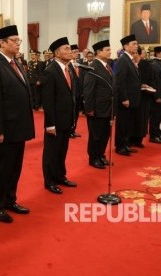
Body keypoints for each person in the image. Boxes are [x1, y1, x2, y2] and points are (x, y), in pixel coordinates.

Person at [0, 25, 35, 223]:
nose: (18, 44)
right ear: (1, 43)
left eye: (19, 41)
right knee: (1, 170)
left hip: (17, 128)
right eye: (14, 41)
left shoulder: (15, 63)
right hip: (3, 130)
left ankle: (10, 200)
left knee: (14, 168)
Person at [41, 37, 77, 195]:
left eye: (70, 49)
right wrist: (50, 124)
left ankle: (60, 176)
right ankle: (49, 181)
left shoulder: (68, 69)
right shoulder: (50, 71)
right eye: (66, 49)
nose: (70, 52)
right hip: (55, 120)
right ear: (57, 53)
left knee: (62, 150)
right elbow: (47, 100)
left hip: (67, 118)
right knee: (51, 152)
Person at [83, 40, 113, 169]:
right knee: (96, 135)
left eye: (110, 50)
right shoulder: (93, 66)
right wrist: (89, 109)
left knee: (105, 134)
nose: (110, 52)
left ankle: (101, 155)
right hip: (96, 108)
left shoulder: (108, 66)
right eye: (107, 50)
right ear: (98, 52)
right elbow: (89, 90)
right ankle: (93, 158)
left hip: (108, 107)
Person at [114, 34, 141, 156]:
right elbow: (120, 81)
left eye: (136, 44)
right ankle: (120, 146)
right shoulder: (123, 60)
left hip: (132, 98)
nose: (136, 46)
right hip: (126, 99)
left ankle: (126, 144)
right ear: (125, 46)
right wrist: (124, 98)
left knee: (128, 123)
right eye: (133, 44)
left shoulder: (130, 59)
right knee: (123, 124)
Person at [69, 44, 83, 138]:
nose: (76, 53)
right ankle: (69, 130)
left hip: (78, 93)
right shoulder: (68, 64)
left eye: (77, 52)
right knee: (71, 112)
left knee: (76, 112)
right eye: (74, 52)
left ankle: (73, 129)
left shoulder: (78, 63)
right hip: (71, 93)